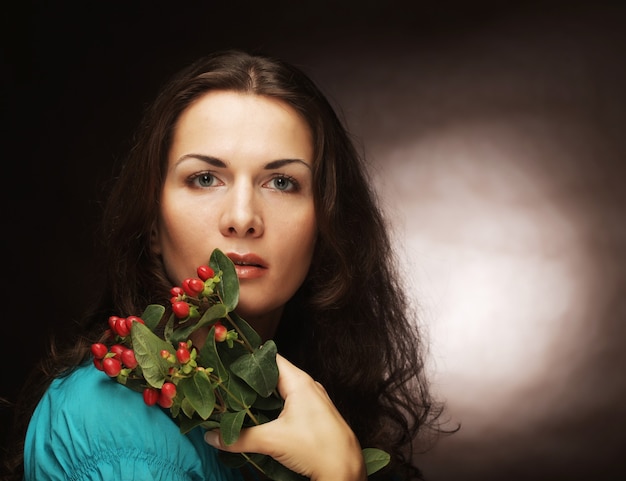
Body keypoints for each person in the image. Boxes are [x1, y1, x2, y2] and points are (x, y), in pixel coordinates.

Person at [2, 49, 448, 480]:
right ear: (153, 225)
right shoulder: (113, 422)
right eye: (204, 178)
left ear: (325, 225)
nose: (242, 219)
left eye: (281, 182)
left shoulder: (298, 398)